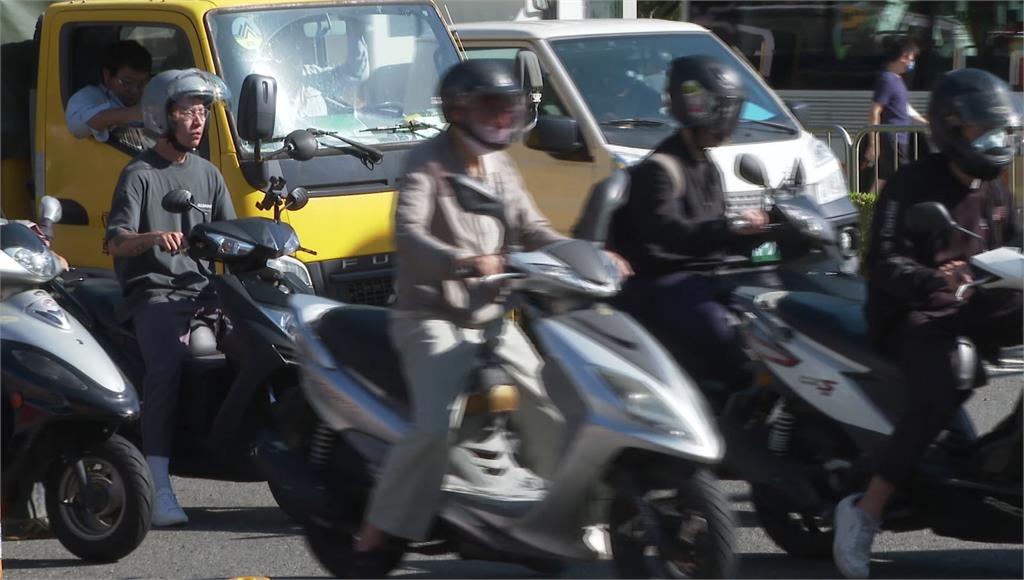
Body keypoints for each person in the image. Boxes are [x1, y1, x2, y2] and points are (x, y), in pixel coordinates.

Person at [350, 59, 630, 571]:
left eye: (510, 109)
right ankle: (381, 525)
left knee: (551, 406)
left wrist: (589, 254)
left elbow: (535, 228)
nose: (504, 119)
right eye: (492, 108)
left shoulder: (501, 166)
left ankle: (569, 519)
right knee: (435, 424)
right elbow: (408, 234)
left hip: (495, 318)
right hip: (431, 316)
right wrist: (462, 261)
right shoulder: (426, 163)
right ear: (459, 110)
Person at [833, 68, 1022, 579]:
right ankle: (866, 509)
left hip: (979, 305)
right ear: (949, 129)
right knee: (938, 391)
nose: (993, 141)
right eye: (979, 130)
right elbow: (885, 261)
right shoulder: (913, 186)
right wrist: (934, 280)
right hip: (916, 313)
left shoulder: (995, 189)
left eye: (999, 131)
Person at [104, 68, 236, 527]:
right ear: (163, 118)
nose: (198, 121)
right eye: (187, 112)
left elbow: (228, 235)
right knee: (169, 365)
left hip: (205, 292)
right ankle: (158, 485)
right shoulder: (139, 174)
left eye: (202, 112)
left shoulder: (210, 173)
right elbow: (116, 242)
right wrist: (153, 237)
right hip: (156, 293)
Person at [607, 55, 768, 395]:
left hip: (702, 278)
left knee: (769, 320)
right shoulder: (660, 171)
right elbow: (667, 236)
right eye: (726, 111)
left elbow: (714, 234)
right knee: (721, 332)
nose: (731, 121)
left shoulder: (707, 166)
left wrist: (761, 233)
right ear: (701, 107)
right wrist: (729, 230)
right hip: (660, 282)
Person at [863, 37, 928, 193]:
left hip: (898, 139)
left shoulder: (897, 80)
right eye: (911, 58)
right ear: (903, 57)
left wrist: (926, 122)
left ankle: (868, 212)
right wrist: (873, 144)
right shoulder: (887, 80)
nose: (912, 62)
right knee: (898, 179)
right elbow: (875, 111)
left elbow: (905, 108)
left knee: (884, 179)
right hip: (893, 139)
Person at [65, 40, 152, 149]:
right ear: (107, 75)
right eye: (126, 82)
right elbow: (76, 127)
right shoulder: (89, 96)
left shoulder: (150, 95)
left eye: (142, 83)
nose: (135, 90)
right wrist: (137, 113)